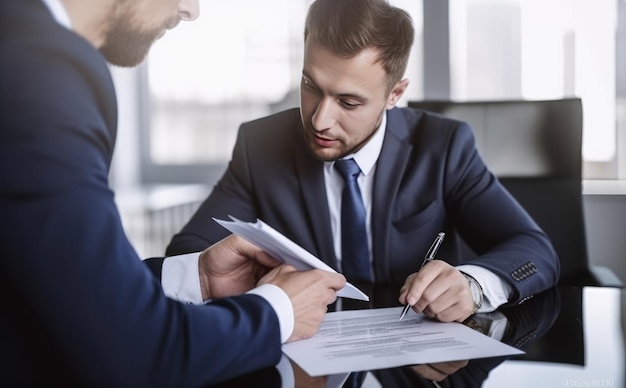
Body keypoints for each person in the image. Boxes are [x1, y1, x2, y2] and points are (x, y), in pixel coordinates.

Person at [0, 0, 346, 386]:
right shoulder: (38, 74)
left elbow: (53, 282)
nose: (191, 10)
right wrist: (278, 311)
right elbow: (134, 354)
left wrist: (195, 277)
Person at [167, 0, 560, 325]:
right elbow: (190, 253)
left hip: (417, 366)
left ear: (395, 93)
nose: (319, 120)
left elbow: (534, 249)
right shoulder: (261, 144)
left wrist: (472, 286)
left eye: (349, 102)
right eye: (311, 87)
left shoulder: (444, 147)